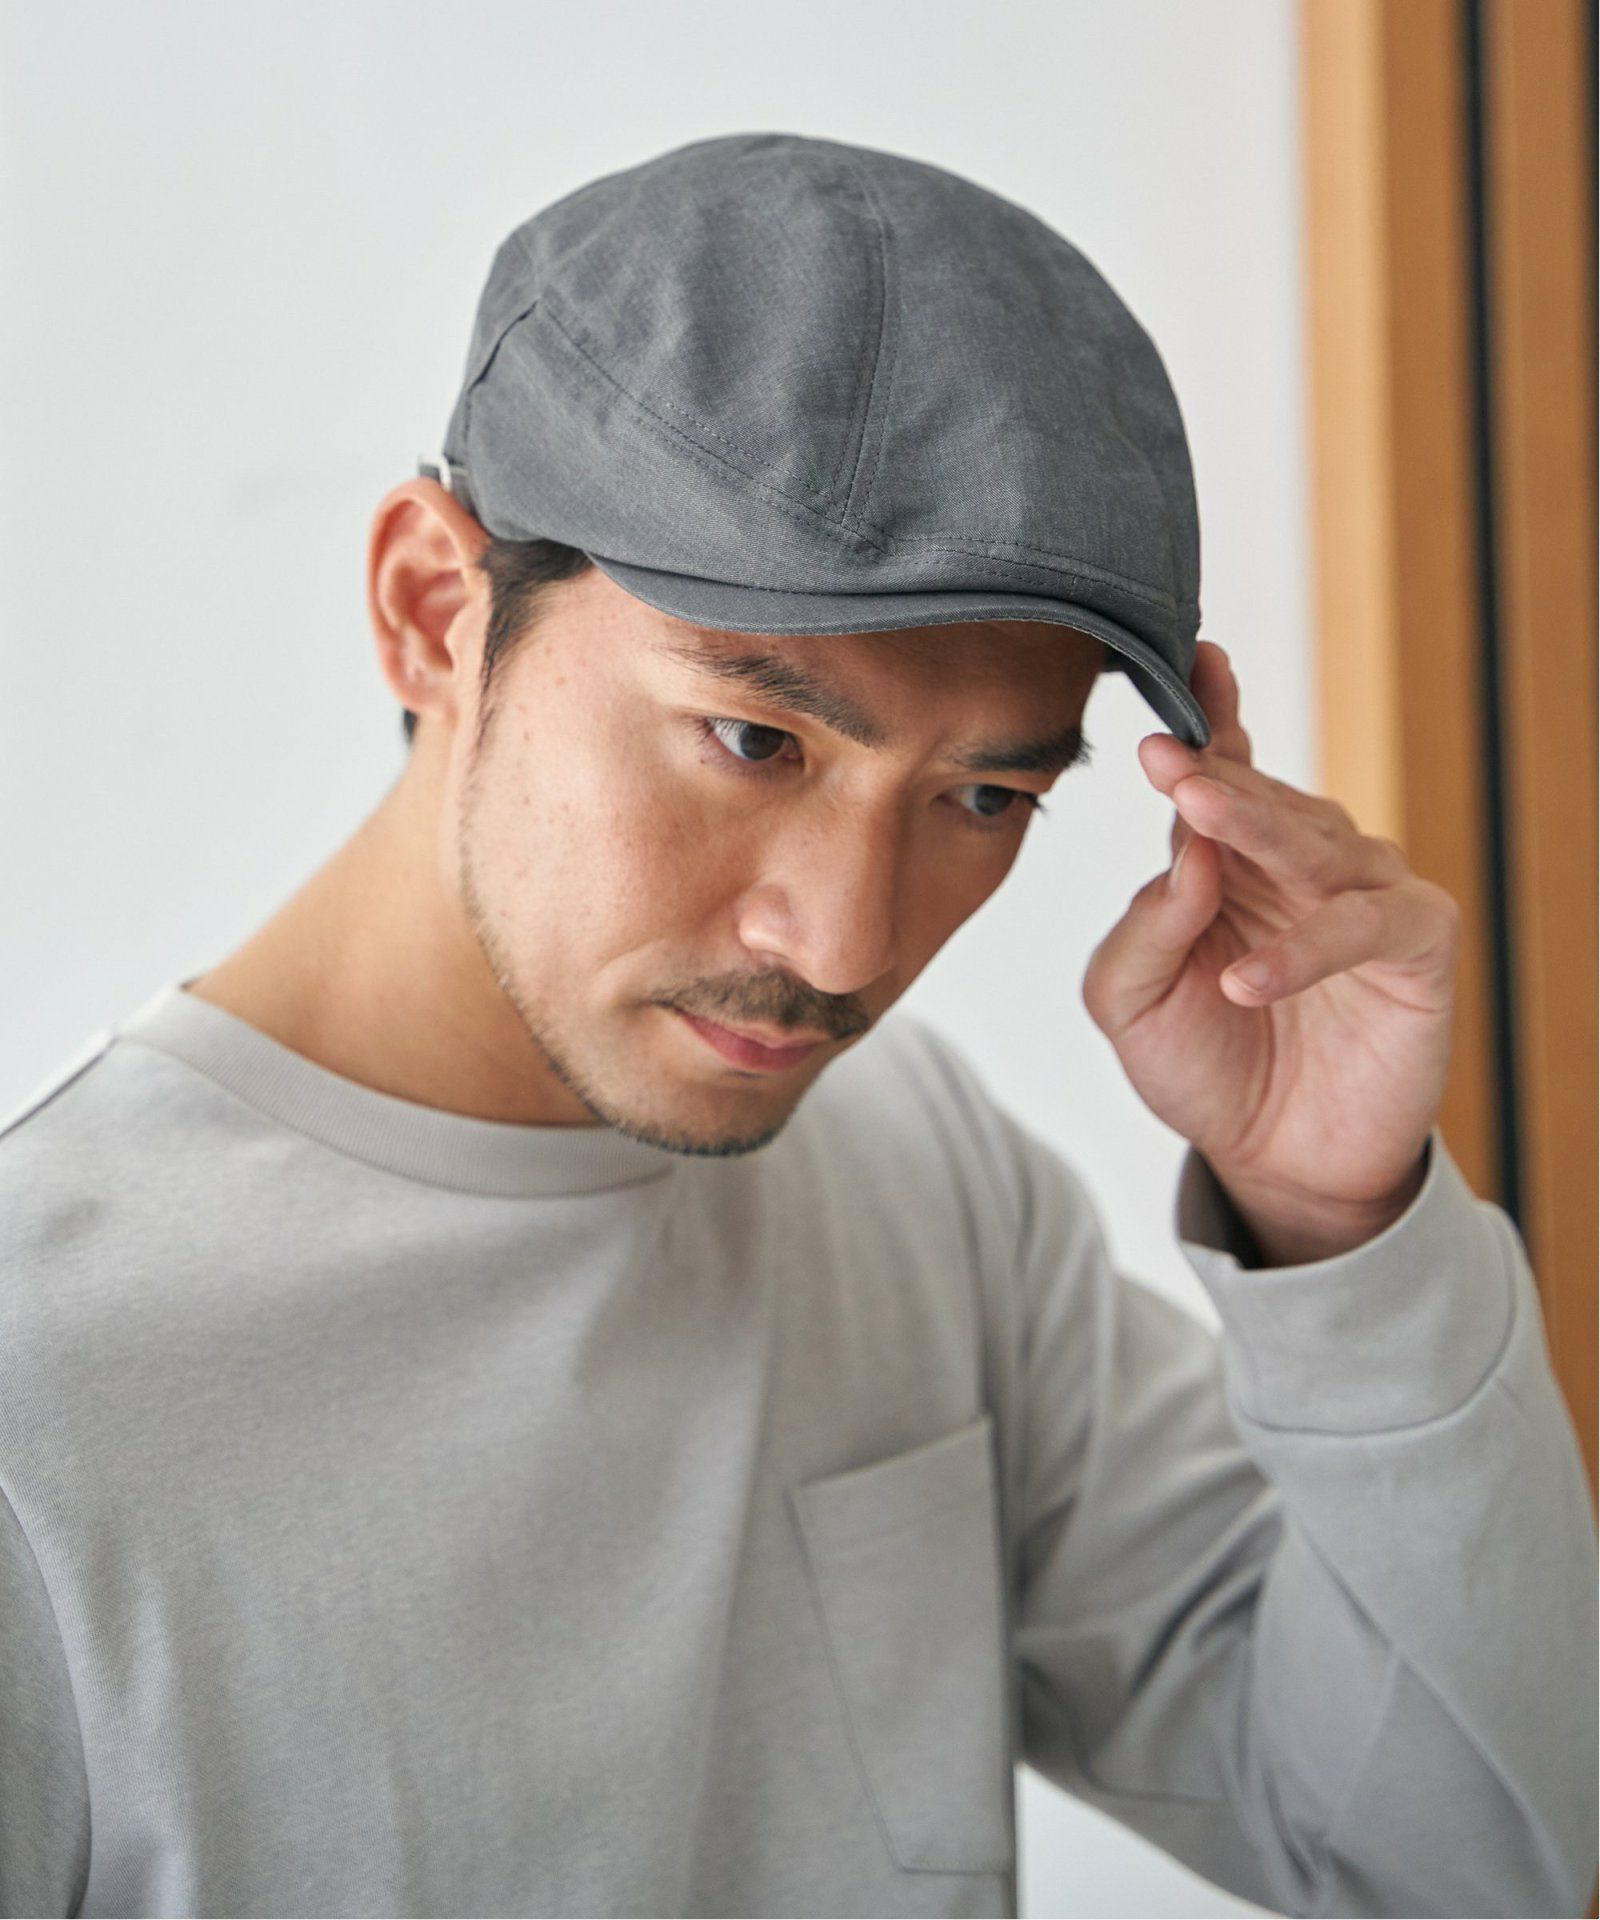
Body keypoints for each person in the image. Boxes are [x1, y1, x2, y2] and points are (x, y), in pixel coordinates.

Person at [1, 133, 1593, 1920]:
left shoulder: (921, 1181)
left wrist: (1334, 1228)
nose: (846, 943)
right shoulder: (41, 1392)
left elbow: (1474, 1864)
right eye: (755, 741)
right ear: (436, 612)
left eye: (985, 797)